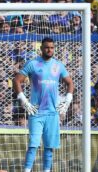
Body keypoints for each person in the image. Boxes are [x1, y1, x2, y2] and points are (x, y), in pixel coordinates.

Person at [13, 37, 74, 172]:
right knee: (33, 145)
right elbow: (16, 80)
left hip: (53, 113)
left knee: (49, 147)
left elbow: (70, 82)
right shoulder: (33, 64)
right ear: (41, 48)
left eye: (52, 48)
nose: (49, 50)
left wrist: (68, 100)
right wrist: (24, 100)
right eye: (47, 47)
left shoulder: (58, 65)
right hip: (36, 112)